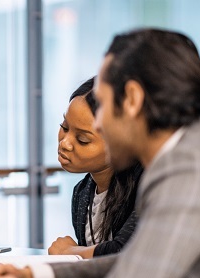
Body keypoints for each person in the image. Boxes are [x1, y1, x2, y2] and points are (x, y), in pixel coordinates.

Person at [0, 28, 200, 278]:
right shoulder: (197, 153)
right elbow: (136, 263)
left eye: (102, 104)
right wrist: (34, 274)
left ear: (131, 98)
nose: (99, 124)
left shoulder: (193, 171)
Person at [49, 77, 143, 259]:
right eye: (65, 127)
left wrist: (69, 252)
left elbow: (126, 254)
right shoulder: (82, 193)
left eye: (83, 139)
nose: (65, 143)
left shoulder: (146, 186)